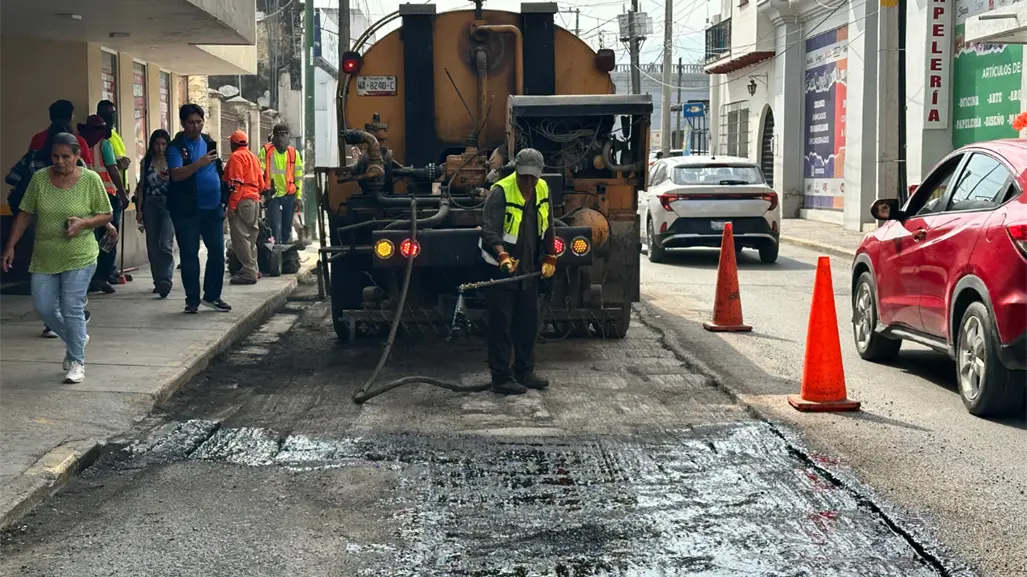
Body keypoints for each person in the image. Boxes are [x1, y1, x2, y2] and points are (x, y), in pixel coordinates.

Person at [1, 133, 114, 384]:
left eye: (66, 156)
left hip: (80, 254)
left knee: (72, 306)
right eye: (55, 156)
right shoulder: (40, 180)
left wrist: (84, 223)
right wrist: (10, 246)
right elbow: (25, 214)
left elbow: (105, 213)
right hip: (45, 254)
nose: (60, 161)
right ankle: (77, 337)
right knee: (43, 306)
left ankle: (77, 361)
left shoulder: (90, 180)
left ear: (77, 156)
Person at [479, 148, 558, 395]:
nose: (528, 181)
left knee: (528, 322)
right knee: (501, 324)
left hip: (529, 269)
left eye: (533, 177)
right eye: (524, 176)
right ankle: (501, 377)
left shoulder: (543, 189)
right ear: (516, 171)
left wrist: (550, 257)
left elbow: (549, 225)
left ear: (540, 174)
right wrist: (502, 256)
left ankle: (524, 371)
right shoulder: (500, 191)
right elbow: (489, 230)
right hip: (501, 268)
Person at [11, 101, 93, 338]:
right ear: (70, 116)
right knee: (70, 265)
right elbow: (85, 172)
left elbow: (15, 175)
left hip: (41, 214)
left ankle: (61, 316)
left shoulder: (37, 141)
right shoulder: (79, 143)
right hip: (73, 216)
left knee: (51, 265)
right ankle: (72, 315)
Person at [166, 104, 232, 314]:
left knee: (217, 253)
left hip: (213, 209)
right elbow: (176, 175)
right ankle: (192, 299)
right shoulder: (176, 147)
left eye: (199, 122)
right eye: (191, 123)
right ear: (183, 124)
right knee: (190, 255)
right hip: (187, 210)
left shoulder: (208, 142)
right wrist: (199, 163)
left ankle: (212, 296)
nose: (196, 126)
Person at [78, 114, 127, 294]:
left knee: (93, 238)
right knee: (109, 238)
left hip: (86, 199)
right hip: (106, 197)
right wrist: (122, 193)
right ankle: (102, 277)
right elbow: (113, 170)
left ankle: (92, 278)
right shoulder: (104, 145)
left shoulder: (80, 145)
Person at [136, 129, 175, 298]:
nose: (160, 148)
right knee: (152, 245)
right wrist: (139, 209)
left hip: (169, 205)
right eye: (157, 144)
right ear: (152, 145)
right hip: (150, 205)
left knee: (165, 243)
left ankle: (166, 279)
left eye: (163, 144)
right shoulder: (146, 162)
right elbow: (142, 186)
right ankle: (158, 280)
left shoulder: (173, 160)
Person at [223, 130, 265, 285]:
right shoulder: (253, 157)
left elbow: (235, 184)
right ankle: (254, 269)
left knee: (240, 238)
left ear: (233, 143)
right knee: (251, 238)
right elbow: (261, 183)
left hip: (242, 199)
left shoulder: (236, 157)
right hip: (254, 200)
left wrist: (232, 206)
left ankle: (248, 273)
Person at [260, 123, 304, 245]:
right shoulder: (266, 151)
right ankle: (274, 250)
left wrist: (298, 197)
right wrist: (263, 191)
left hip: (289, 196)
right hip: (273, 196)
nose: (280, 138)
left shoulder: (294, 153)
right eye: (277, 135)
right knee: (274, 228)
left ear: (288, 136)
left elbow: (298, 176)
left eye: (283, 135)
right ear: (273, 136)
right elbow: (259, 172)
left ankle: (283, 253)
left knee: (286, 229)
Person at [29, 100, 93, 166]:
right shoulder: (79, 141)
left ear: (51, 117)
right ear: (70, 117)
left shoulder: (37, 138)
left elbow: (31, 162)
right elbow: (88, 169)